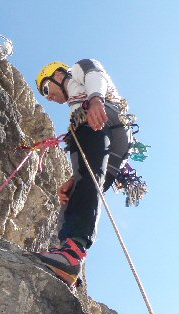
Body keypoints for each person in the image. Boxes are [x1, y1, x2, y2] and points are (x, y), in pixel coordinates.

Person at [33, 59, 134, 287]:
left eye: (46, 89)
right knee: (87, 185)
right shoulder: (79, 100)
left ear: (58, 76)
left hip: (97, 118)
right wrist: (73, 178)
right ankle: (71, 259)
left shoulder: (79, 71)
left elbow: (94, 73)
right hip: (118, 139)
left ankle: (69, 253)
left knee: (86, 183)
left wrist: (96, 100)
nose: (48, 97)